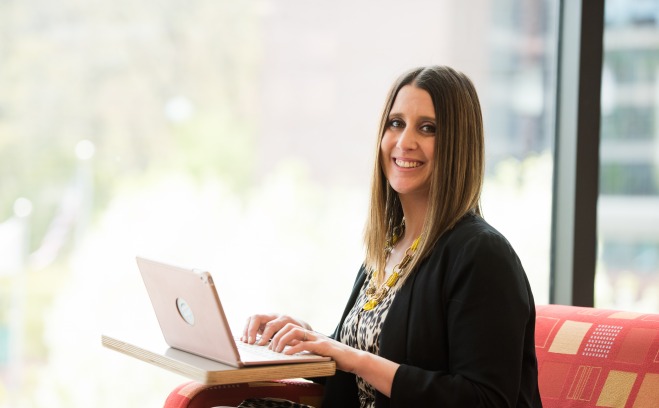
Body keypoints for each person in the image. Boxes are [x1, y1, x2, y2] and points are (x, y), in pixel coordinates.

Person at [241, 65, 542, 407]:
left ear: (458, 145)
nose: (404, 142)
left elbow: (486, 400)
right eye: (396, 123)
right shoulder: (388, 250)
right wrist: (309, 342)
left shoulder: (482, 255)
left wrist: (353, 358)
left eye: (427, 128)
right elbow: (361, 368)